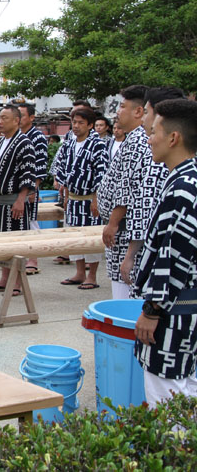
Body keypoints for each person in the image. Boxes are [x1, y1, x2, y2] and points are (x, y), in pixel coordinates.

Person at [133, 98, 197, 406]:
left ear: (173, 138)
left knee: (168, 402)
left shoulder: (184, 187)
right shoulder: (188, 177)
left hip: (176, 311)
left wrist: (152, 311)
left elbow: (173, 258)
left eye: (153, 131)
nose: (149, 138)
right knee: (188, 393)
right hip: (186, 308)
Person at [119, 87, 186, 289]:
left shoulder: (182, 182)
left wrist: (131, 255)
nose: (144, 120)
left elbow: (143, 209)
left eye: (147, 112)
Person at [99, 85, 148, 299]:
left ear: (138, 111)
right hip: (121, 226)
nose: (118, 112)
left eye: (122, 106)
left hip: (126, 228)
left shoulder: (138, 141)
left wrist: (113, 222)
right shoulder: (132, 138)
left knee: (124, 287)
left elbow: (127, 189)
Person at [0, 105, 36, 296]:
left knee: (16, 242)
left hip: (15, 200)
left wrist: (21, 199)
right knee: (2, 242)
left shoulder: (24, 143)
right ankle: (5, 278)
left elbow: (28, 173)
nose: (0, 121)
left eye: (5, 118)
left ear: (16, 120)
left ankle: (17, 282)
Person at [55, 107, 107, 290]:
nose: (76, 126)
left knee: (91, 237)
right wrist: (65, 195)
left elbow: (102, 174)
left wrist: (97, 199)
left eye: (80, 123)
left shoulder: (98, 145)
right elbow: (62, 169)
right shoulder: (68, 144)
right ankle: (79, 272)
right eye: (74, 122)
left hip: (90, 197)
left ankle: (91, 275)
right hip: (73, 197)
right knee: (74, 235)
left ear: (90, 125)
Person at [17, 103, 48, 275]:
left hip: (29, 187)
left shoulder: (37, 137)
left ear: (31, 117)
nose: (19, 119)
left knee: (30, 221)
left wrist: (33, 188)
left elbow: (41, 165)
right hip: (15, 188)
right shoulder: (16, 135)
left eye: (22, 115)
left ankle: (33, 259)